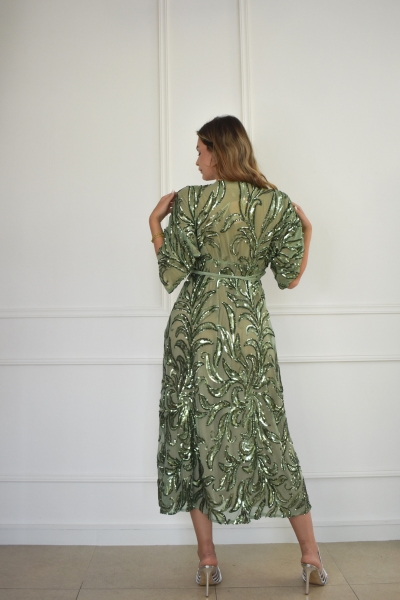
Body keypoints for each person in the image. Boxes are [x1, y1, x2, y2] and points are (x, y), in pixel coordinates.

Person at [149, 115, 328, 596]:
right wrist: (307, 231)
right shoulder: (276, 204)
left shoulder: (191, 201)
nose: (196, 160)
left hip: (196, 333)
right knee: (270, 433)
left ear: (219, 151)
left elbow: (170, 273)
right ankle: (311, 557)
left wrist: (154, 224)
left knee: (193, 436)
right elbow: (289, 278)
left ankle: (208, 561)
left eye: (201, 150)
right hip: (249, 334)